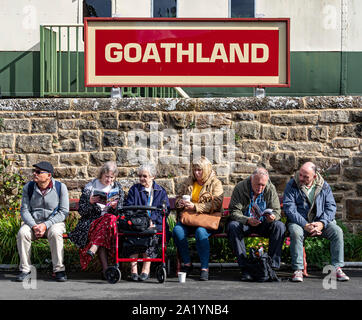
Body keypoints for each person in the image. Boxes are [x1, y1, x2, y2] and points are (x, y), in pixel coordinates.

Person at [283, 161, 350, 282]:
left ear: (314, 176)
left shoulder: (324, 186)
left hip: (320, 223)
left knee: (337, 231)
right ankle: (298, 269)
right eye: (300, 174)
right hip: (299, 223)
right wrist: (305, 224)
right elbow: (289, 209)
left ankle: (337, 268)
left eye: (305, 176)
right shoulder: (292, 185)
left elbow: (331, 207)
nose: (301, 178)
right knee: (296, 232)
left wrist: (322, 223)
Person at [227, 167, 285, 281]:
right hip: (246, 222)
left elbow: (277, 211)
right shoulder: (241, 187)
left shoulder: (269, 188)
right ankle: (245, 268)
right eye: (257, 184)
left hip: (263, 223)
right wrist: (247, 220)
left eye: (263, 185)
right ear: (251, 180)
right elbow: (234, 211)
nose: (260, 188)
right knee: (233, 226)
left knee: (279, 226)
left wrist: (272, 217)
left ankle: (270, 267)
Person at [68, 161, 125, 278]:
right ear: (101, 174)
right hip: (91, 222)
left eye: (112, 177)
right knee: (108, 222)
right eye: (107, 177)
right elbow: (82, 211)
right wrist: (90, 202)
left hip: (110, 224)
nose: (109, 180)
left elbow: (122, 209)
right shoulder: (90, 187)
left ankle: (102, 262)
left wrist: (115, 206)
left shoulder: (117, 187)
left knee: (109, 219)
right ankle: (110, 268)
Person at [16, 161, 69, 282]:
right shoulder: (28, 188)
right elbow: (24, 210)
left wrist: (46, 225)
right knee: (22, 233)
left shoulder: (61, 188)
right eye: (34, 171)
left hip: (54, 223)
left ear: (49, 175)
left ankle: (59, 270)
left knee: (56, 233)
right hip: (33, 223)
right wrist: (35, 226)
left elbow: (64, 212)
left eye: (38, 172)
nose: (34, 174)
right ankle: (25, 269)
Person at [172, 156, 224, 281]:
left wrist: (195, 206)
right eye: (195, 170)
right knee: (177, 230)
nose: (196, 173)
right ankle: (187, 264)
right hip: (189, 220)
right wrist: (179, 204)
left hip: (207, 220)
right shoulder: (189, 182)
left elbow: (216, 203)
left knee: (201, 232)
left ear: (206, 170)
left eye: (199, 170)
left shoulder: (215, 183)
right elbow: (178, 198)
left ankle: (204, 268)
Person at [125, 162, 170, 281]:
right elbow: (128, 207)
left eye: (144, 176)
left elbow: (165, 210)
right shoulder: (134, 190)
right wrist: (139, 220)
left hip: (155, 224)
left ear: (152, 176)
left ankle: (146, 268)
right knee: (132, 235)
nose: (141, 179)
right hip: (137, 223)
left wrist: (152, 220)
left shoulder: (160, 191)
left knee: (152, 235)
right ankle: (133, 270)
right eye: (140, 176)